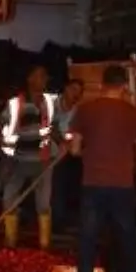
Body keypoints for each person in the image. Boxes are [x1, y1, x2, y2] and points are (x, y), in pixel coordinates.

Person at [69, 64, 136, 272]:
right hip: (122, 185)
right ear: (124, 85)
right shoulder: (133, 113)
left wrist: (91, 152)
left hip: (93, 183)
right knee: (127, 239)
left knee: (87, 241)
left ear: (102, 84)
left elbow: (74, 150)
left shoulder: (85, 111)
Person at [0, 65, 57, 248]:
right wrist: (3, 141)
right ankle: (10, 242)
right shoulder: (16, 104)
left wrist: (64, 140)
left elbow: (55, 127)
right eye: (39, 76)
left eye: (45, 77)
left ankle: (44, 245)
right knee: (9, 199)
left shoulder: (50, 102)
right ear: (29, 79)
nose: (43, 80)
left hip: (43, 161)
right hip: (19, 160)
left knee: (43, 204)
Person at [50, 79, 84, 233]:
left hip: (66, 152)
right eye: (73, 89)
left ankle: (62, 219)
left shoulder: (78, 111)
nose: (75, 94)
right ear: (65, 88)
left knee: (64, 182)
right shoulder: (52, 104)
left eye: (78, 91)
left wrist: (68, 143)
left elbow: (74, 131)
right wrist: (60, 141)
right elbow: (51, 126)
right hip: (47, 150)